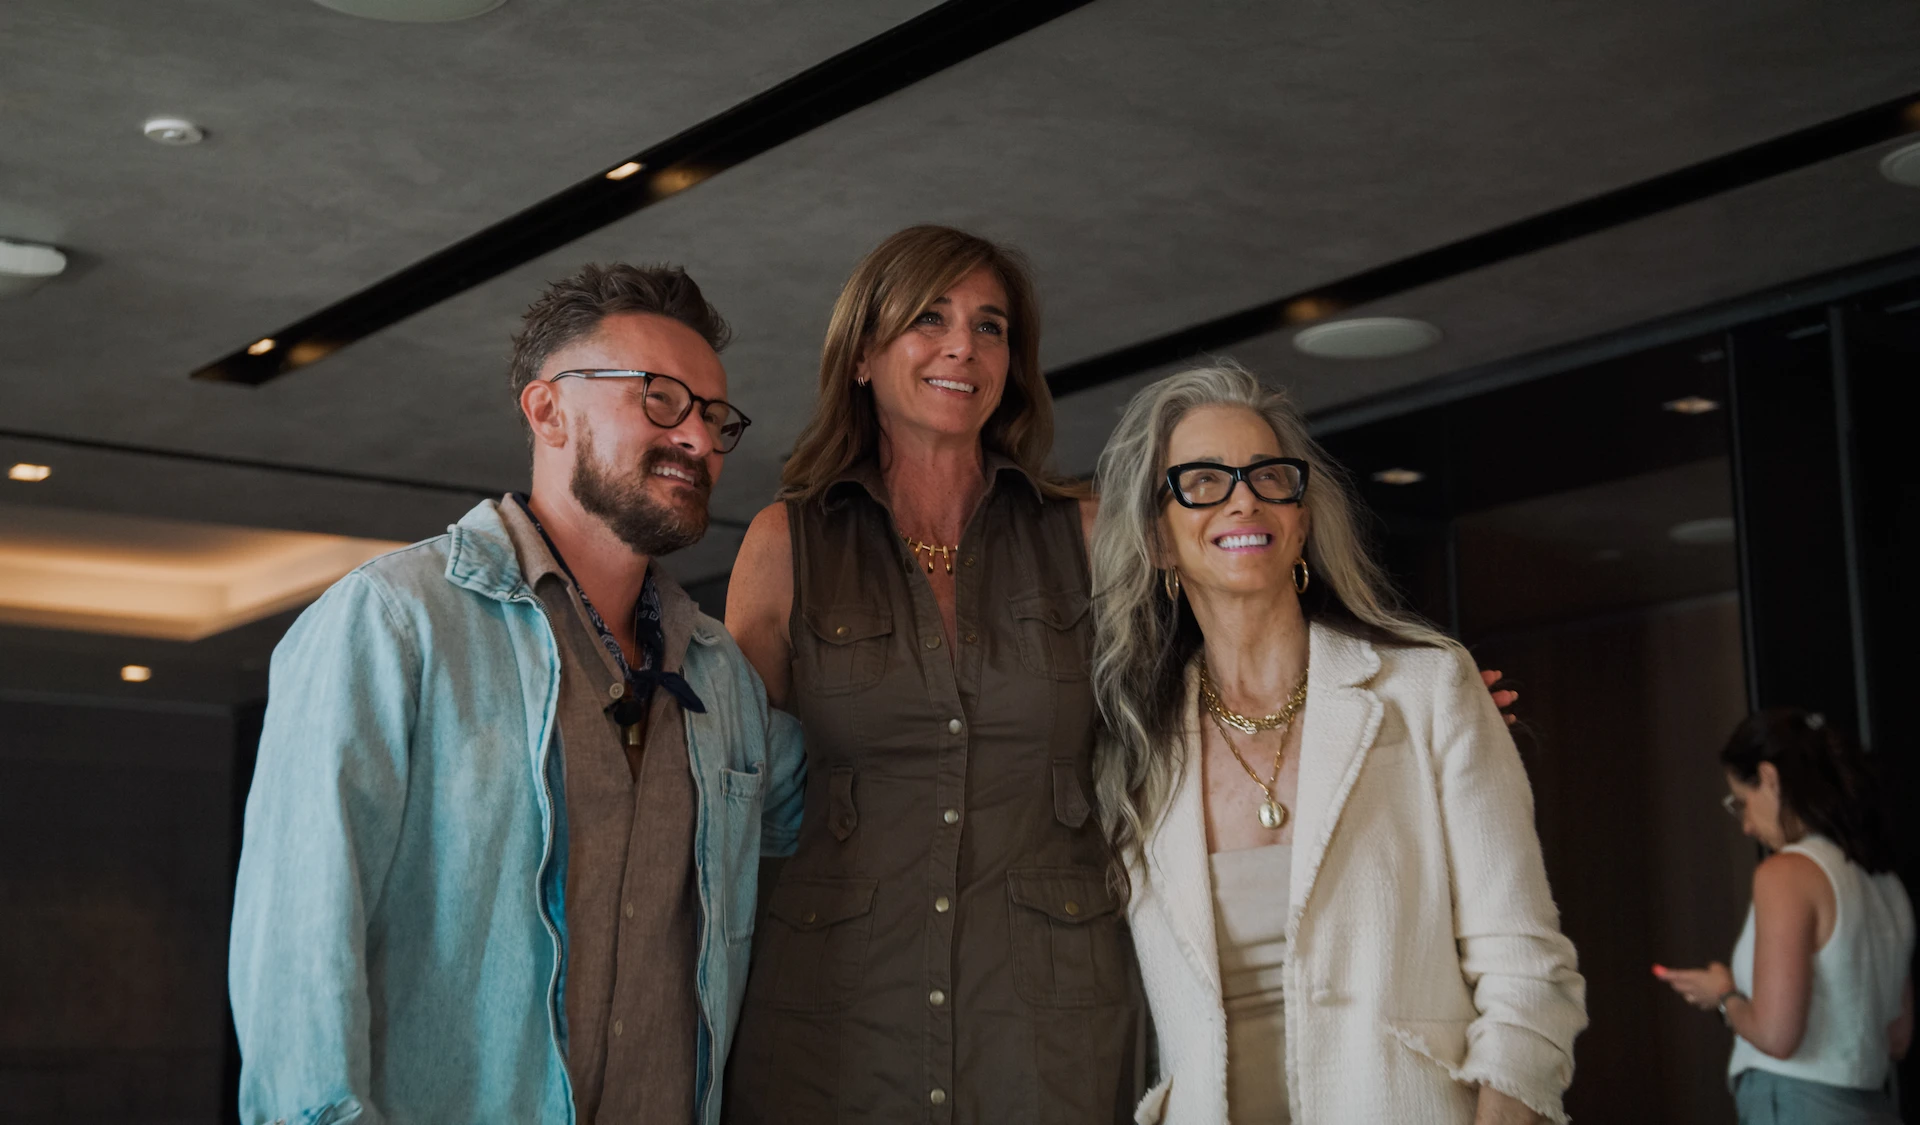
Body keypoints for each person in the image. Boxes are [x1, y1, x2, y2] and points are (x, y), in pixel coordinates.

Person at [228, 263, 804, 1125]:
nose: (697, 437)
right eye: (660, 398)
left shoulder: (718, 675)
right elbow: (297, 961)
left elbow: (860, 811)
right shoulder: (392, 622)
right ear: (548, 410)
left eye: (714, 417)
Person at [1087, 361, 1587, 1125]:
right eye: (1203, 481)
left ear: (1303, 517)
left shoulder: (1427, 688)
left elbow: (1527, 969)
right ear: (1158, 539)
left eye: (1267, 475)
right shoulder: (1132, 748)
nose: (1245, 496)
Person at [721, 225, 1144, 1122]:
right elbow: (719, 779)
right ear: (865, 354)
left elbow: (1201, 703)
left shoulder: (1087, 532)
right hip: (831, 1025)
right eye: (930, 317)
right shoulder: (786, 542)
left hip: (1051, 1026)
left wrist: (1389, 704)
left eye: (991, 327)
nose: (964, 345)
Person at [1655, 708, 1914, 1125]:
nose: (1746, 826)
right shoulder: (1885, 883)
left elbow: (1777, 1037)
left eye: (1741, 803)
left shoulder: (1787, 873)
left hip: (1797, 1105)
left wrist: (1724, 995)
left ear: (1770, 778)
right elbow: (1897, 1036)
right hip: (1874, 1108)